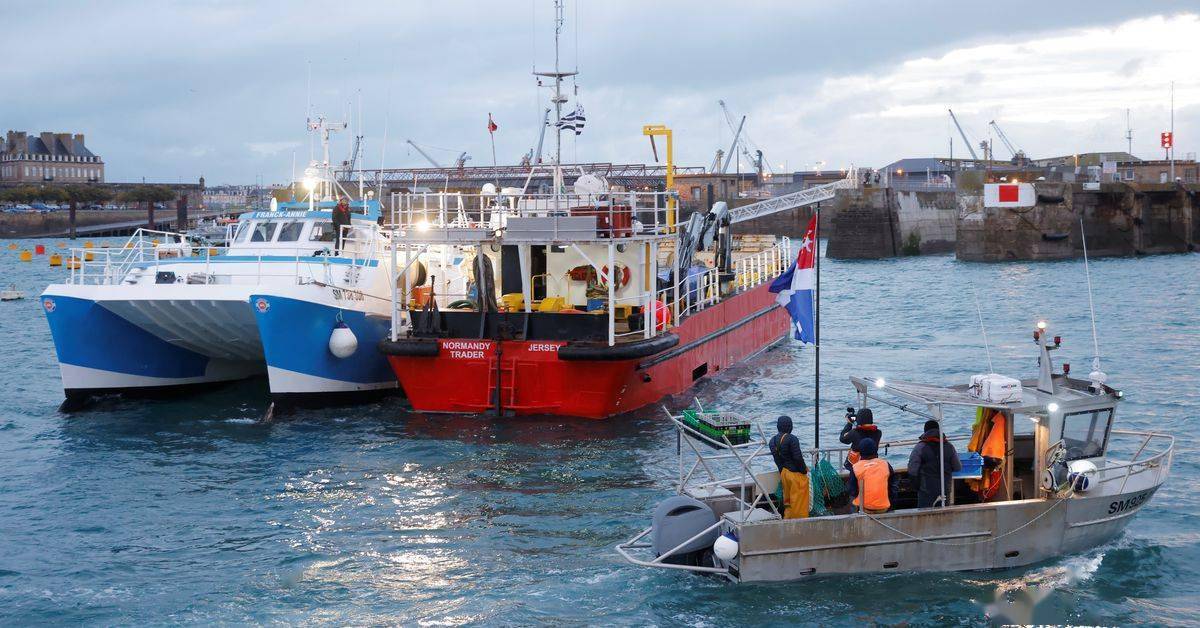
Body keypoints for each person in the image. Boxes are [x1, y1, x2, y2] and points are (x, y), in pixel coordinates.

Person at [908, 420, 962, 508]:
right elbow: (958, 467)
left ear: (925, 431)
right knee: (944, 513)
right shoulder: (949, 446)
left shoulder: (920, 447)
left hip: (926, 490)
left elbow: (912, 470)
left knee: (925, 514)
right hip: (945, 489)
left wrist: (916, 486)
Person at [768, 415, 810, 519]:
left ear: (778, 426)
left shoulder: (772, 441)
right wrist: (804, 471)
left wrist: (782, 471)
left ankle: (788, 518)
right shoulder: (792, 439)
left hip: (784, 473)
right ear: (790, 426)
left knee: (788, 500)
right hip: (795, 474)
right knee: (799, 501)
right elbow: (798, 458)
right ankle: (800, 521)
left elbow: (777, 459)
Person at [846, 439, 897, 514]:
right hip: (884, 508)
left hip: (864, 509)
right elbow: (893, 486)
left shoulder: (856, 467)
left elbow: (852, 490)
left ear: (860, 452)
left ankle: (855, 516)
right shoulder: (885, 464)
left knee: (851, 496)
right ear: (876, 450)